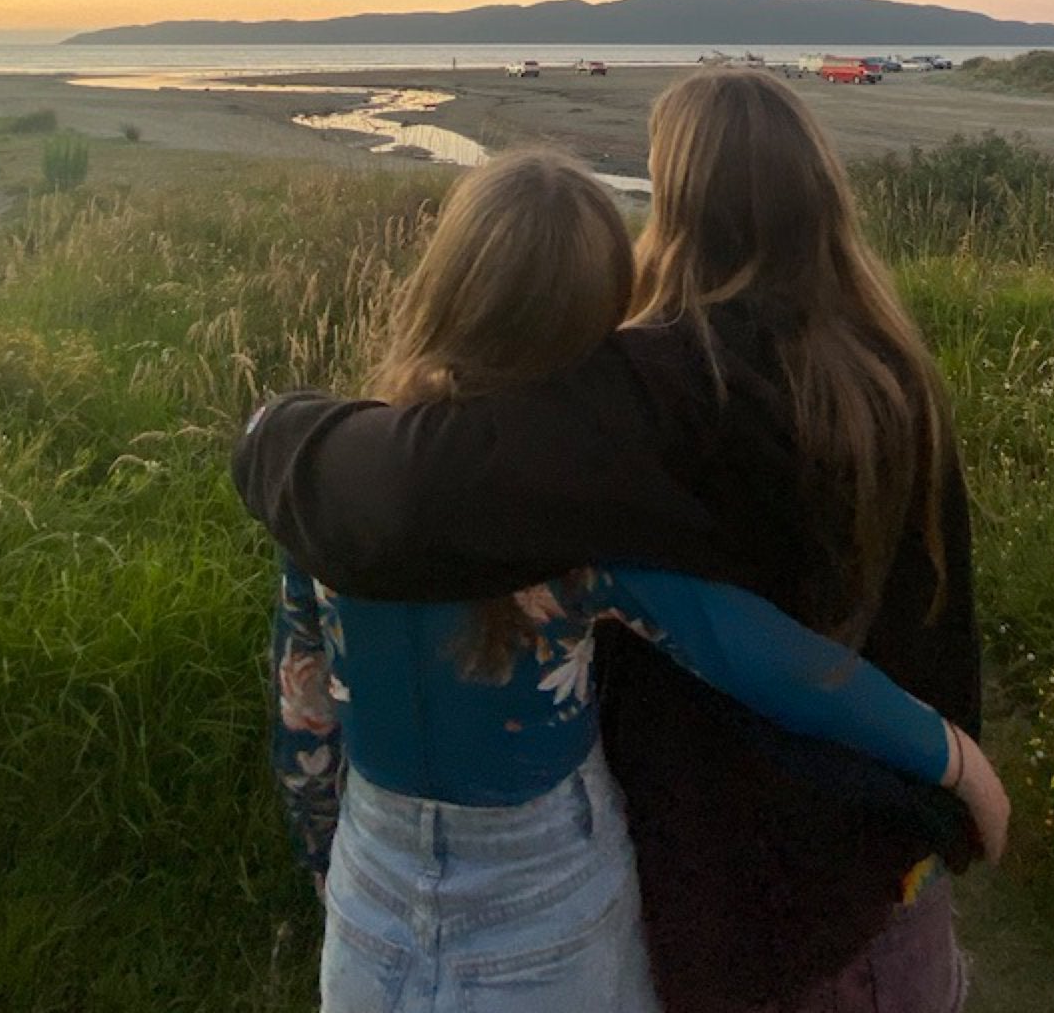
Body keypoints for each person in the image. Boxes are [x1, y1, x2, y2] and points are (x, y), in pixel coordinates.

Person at [236, 72, 996, 1011]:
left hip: (441, 886)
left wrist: (283, 438)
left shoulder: (344, 523)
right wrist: (951, 756)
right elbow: (773, 654)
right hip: (785, 879)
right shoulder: (888, 376)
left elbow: (305, 721)